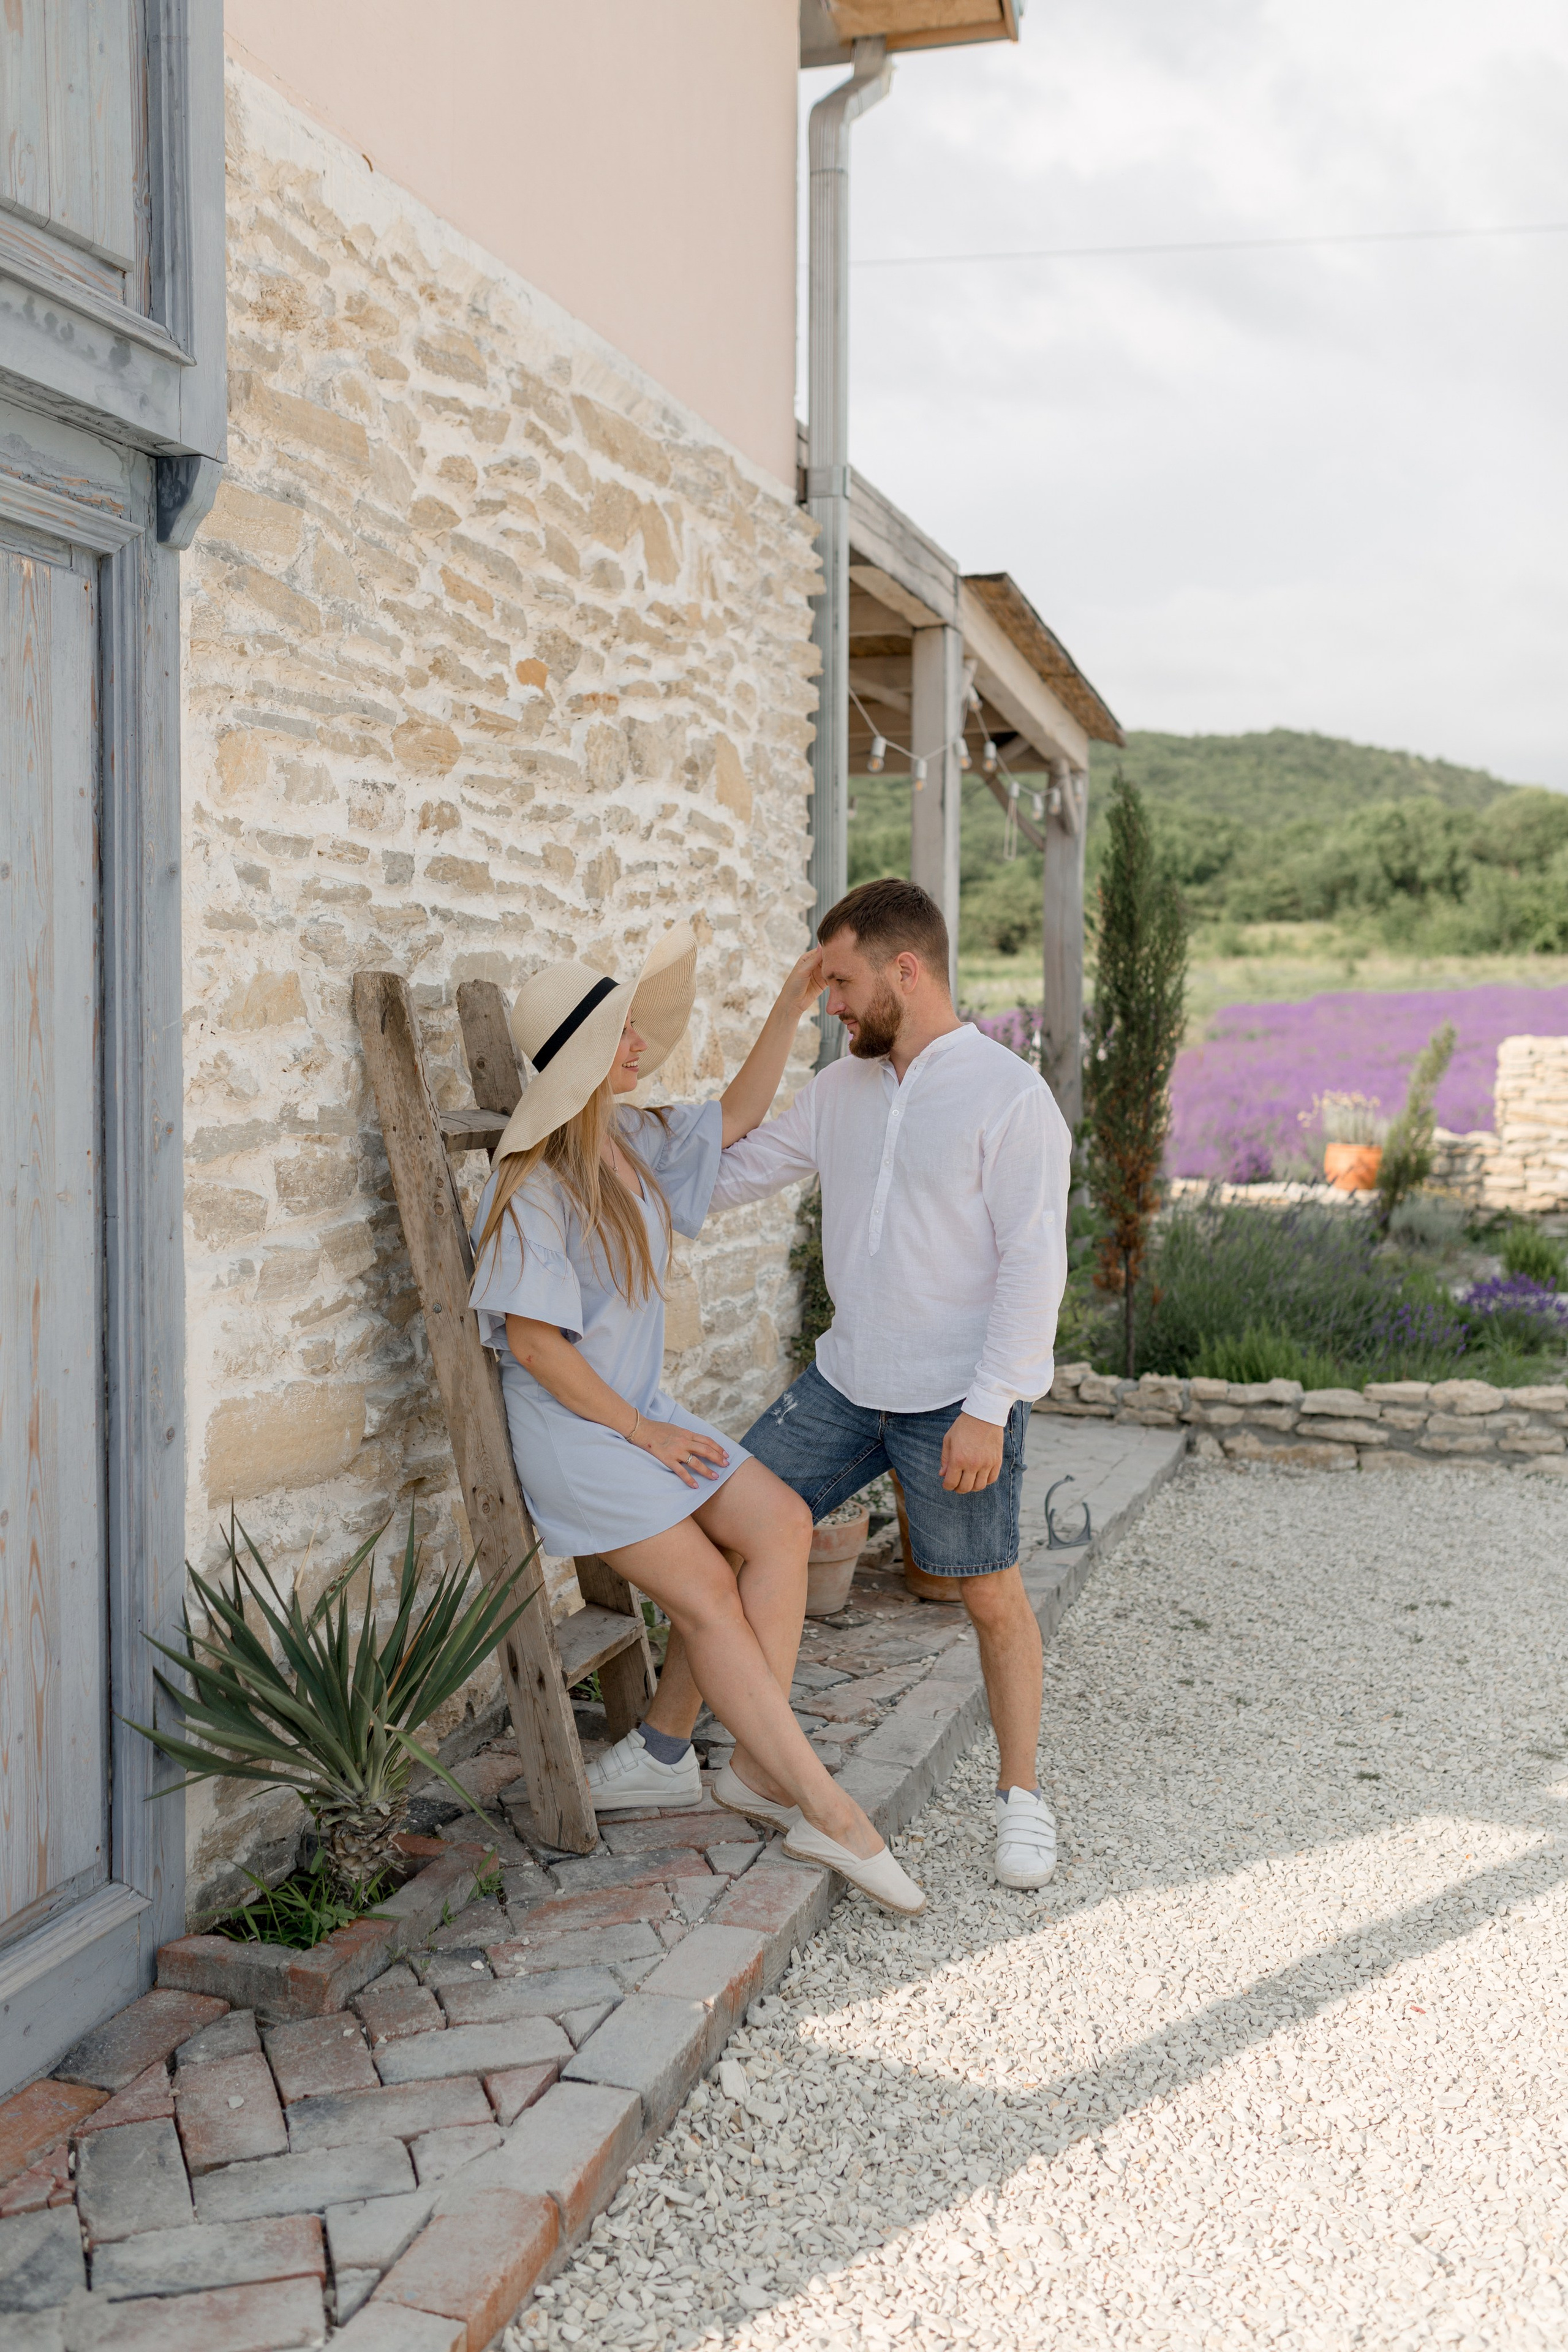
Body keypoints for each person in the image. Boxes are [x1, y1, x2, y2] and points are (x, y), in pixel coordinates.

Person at [467, 919, 924, 1916]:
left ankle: (709, 1761)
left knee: (784, 1527)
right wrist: (645, 1437)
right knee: (712, 1591)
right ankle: (826, 1806)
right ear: (584, 1062)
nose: (639, 1049)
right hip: (579, 1437)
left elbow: (741, 1112)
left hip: (636, 1415)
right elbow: (539, 1351)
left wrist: (791, 1004)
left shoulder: (628, 1140)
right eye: (621, 1038)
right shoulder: (532, 1190)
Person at [640, 878, 1070, 1890]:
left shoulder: (1011, 1098)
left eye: (839, 981)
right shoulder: (841, 1091)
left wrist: (987, 1409)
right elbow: (731, 1173)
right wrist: (606, 1162)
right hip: (843, 1382)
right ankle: (662, 1753)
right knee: (718, 1528)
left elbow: (1031, 1264)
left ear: (903, 971)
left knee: (992, 1595)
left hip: (953, 1399)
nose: (830, 1002)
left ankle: (1022, 1801)